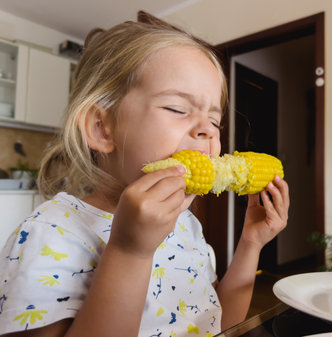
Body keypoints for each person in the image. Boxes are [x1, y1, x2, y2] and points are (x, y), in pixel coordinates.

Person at [0, 11, 289, 337]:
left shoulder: (187, 227)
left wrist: (251, 244)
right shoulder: (48, 234)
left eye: (214, 121)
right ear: (102, 129)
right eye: (178, 109)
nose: (208, 133)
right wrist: (128, 251)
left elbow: (219, 323)